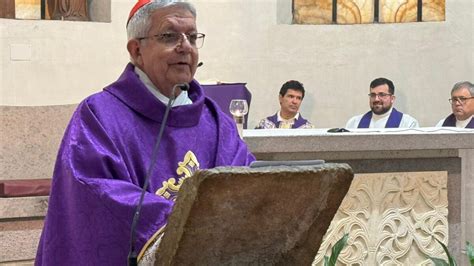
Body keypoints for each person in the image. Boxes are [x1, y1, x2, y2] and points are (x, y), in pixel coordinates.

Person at [35, 1, 255, 265]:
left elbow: (246, 183)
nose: (185, 46)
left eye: (192, 37)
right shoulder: (99, 115)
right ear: (136, 50)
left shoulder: (215, 120)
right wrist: (187, 223)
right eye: (169, 36)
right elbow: (94, 194)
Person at [345, 77, 419, 129]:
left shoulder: (408, 124)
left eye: (382, 95)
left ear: (392, 98)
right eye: (373, 95)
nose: (376, 99)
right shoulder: (354, 123)